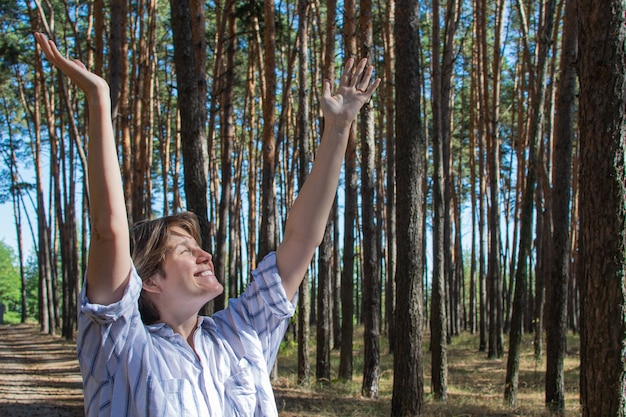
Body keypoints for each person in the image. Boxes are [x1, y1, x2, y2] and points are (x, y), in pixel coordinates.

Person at [34, 32, 379, 417]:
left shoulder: (240, 334)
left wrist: (338, 128)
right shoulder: (121, 349)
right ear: (147, 280)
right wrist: (100, 101)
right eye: (185, 250)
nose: (205, 254)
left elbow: (301, 239)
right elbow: (108, 231)